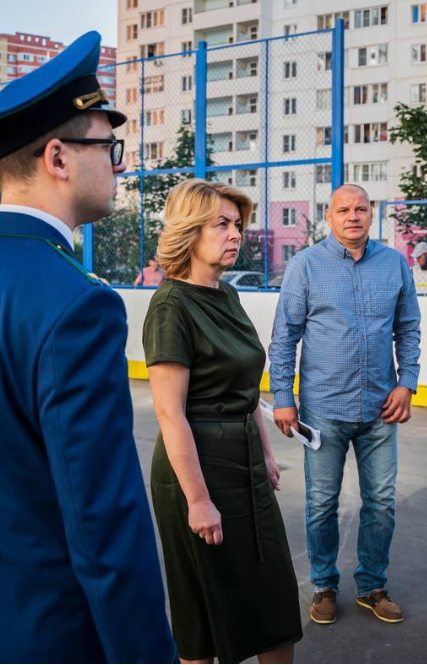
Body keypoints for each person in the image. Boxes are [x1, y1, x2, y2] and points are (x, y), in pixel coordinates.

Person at [0, 32, 176, 663]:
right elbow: (102, 519)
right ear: (58, 158)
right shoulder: (77, 304)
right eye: (108, 146)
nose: (117, 165)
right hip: (59, 637)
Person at [143, 179, 302, 665]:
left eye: (238, 225)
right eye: (222, 225)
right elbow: (171, 413)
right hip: (198, 472)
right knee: (203, 611)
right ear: (190, 231)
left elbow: (243, 390)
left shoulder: (226, 295)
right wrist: (198, 500)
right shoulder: (171, 306)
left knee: (273, 597)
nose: (236, 234)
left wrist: (268, 456)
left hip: (245, 465)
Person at [269, 184, 421, 626]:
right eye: (343, 210)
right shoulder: (306, 266)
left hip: (381, 409)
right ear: (329, 216)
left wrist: (407, 383)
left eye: (360, 208)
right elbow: (285, 337)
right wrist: (284, 398)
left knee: (381, 502)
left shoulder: (394, 263)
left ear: (371, 214)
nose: (352, 216)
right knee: (320, 503)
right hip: (321, 410)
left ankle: (372, 585)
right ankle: (324, 585)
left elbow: (408, 328)